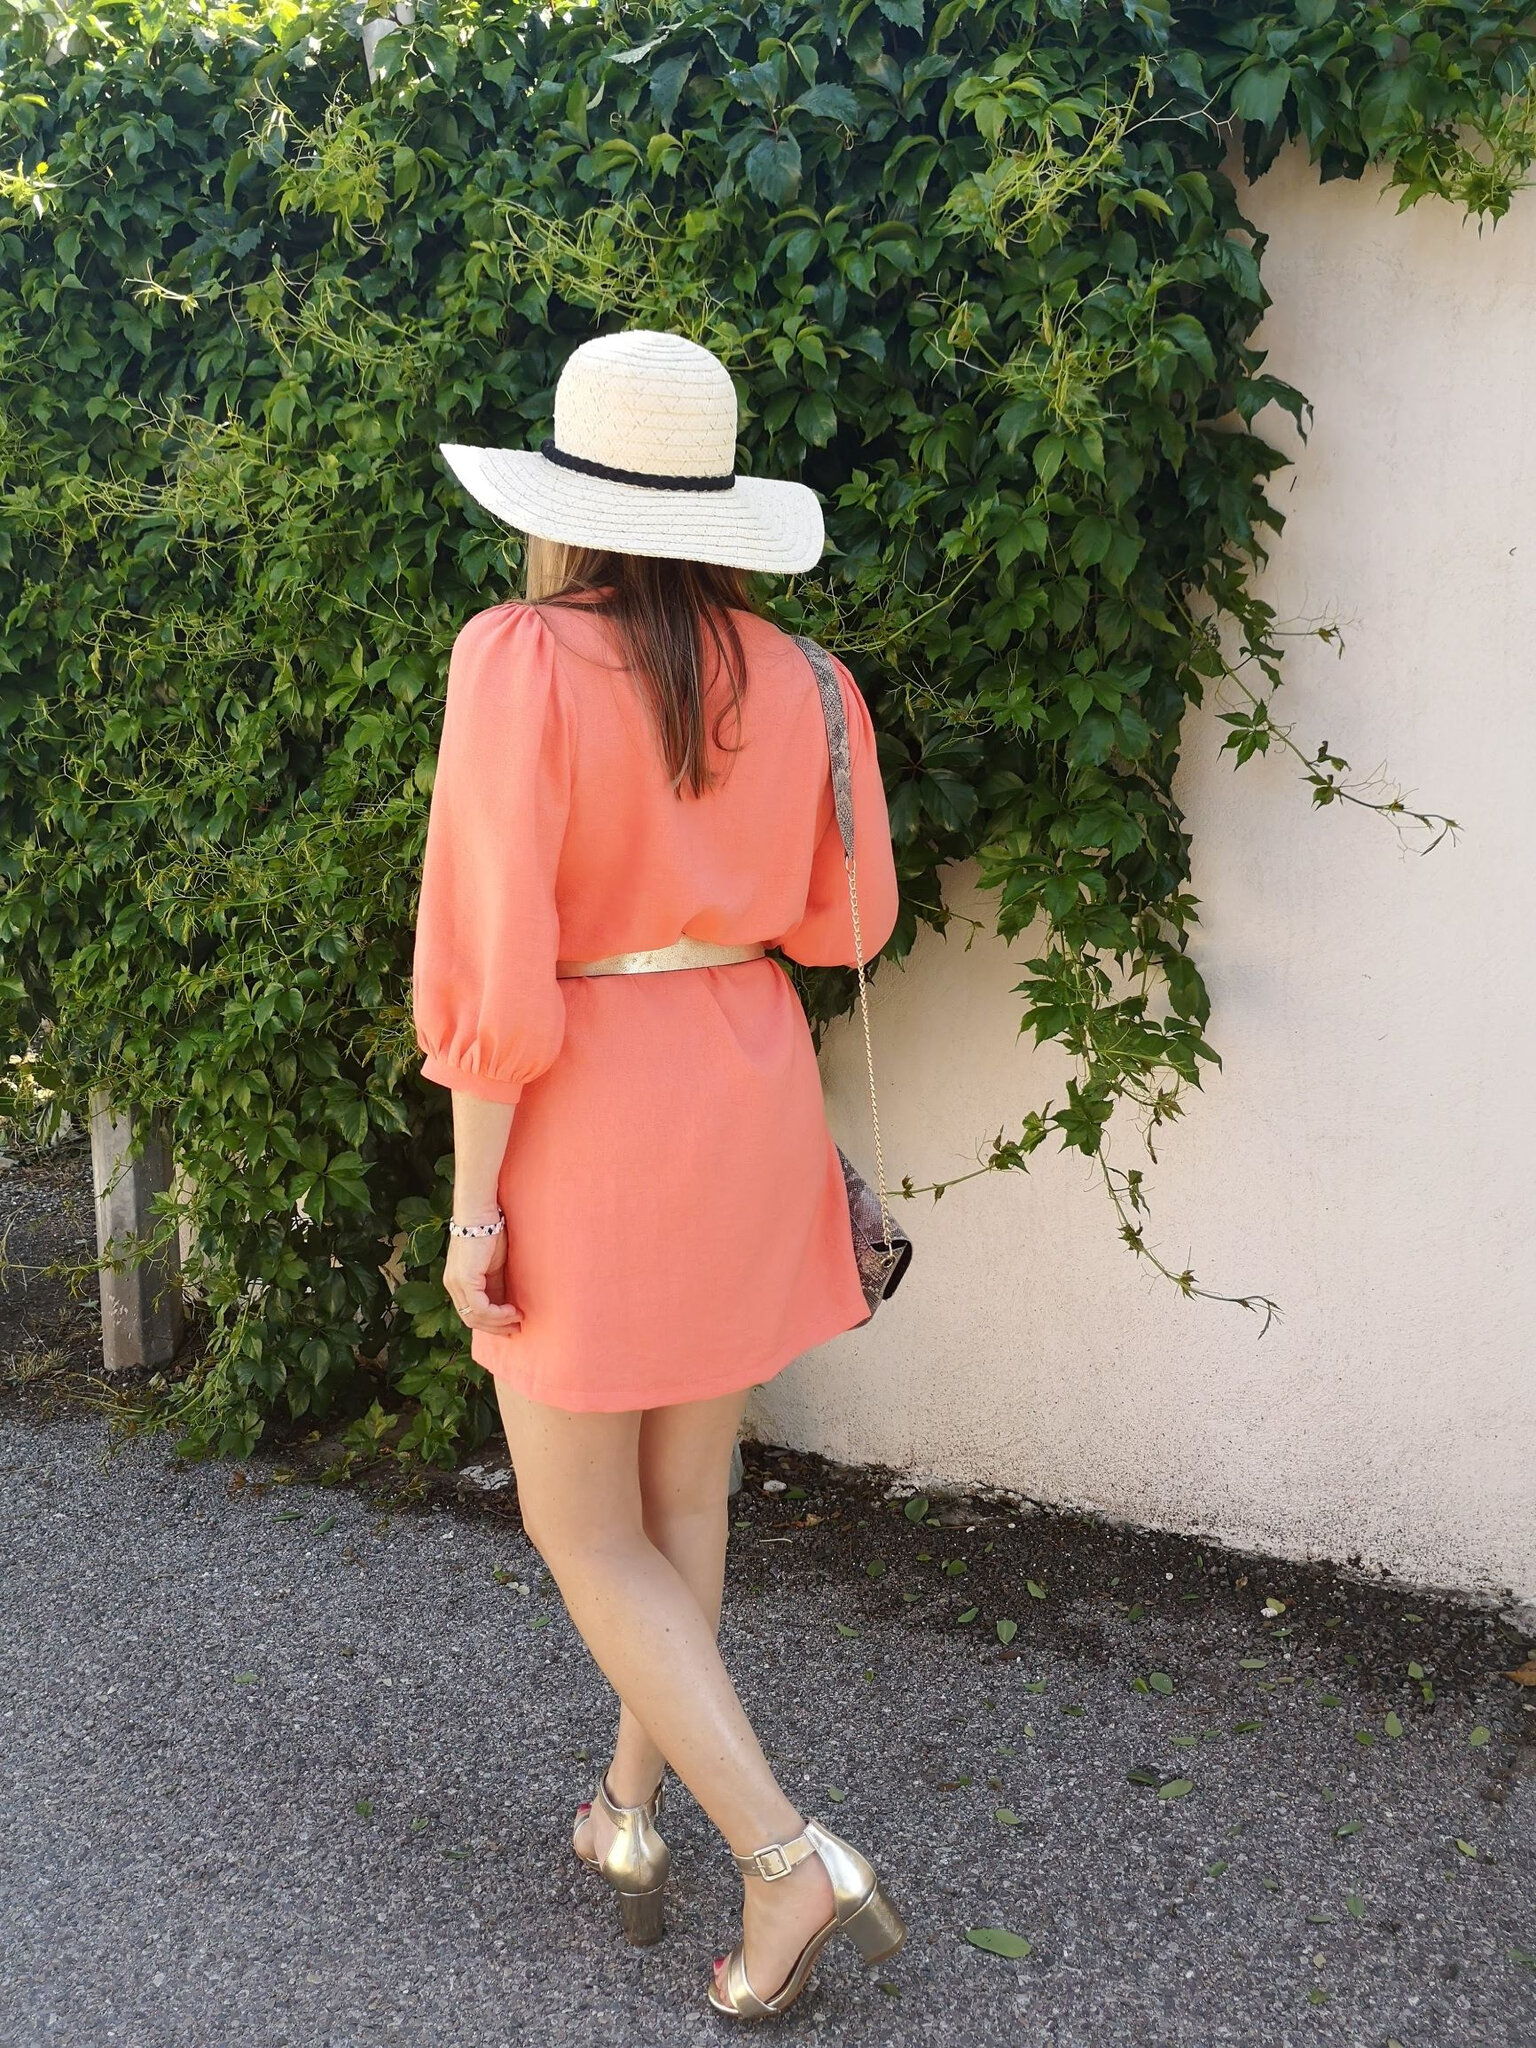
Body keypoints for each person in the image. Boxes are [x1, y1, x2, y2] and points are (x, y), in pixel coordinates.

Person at [411, 328, 905, 2020]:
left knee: (580, 1524)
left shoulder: (519, 658)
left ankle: (783, 1859)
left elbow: (489, 966)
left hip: (592, 1113)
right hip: (746, 1089)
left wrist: (475, 1209)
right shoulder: (808, 679)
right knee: (682, 1505)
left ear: (567, 505)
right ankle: (627, 1812)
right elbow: (847, 922)